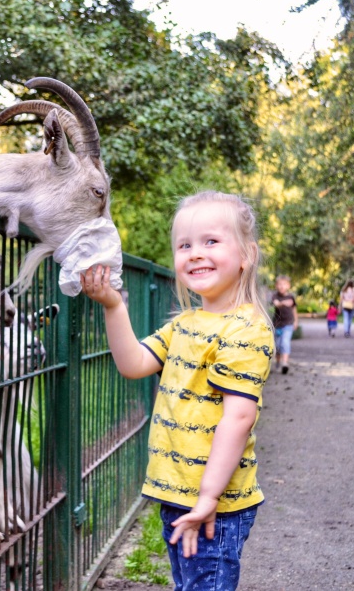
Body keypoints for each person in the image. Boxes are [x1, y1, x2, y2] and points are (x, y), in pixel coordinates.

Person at [80, 191, 273, 591]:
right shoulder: (184, 324)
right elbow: (133, 364)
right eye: (184, 245)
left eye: (211, 241)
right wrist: (114, 306)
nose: (195, 253)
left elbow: (238, 419)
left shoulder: (245, 329)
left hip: (214, 504)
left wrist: (207, 498)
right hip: (177, 494)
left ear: (247, 255)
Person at [271, 275, 297, 374]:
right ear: (276, 286)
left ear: (288, 286)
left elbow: (294, 309)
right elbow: (276, 304)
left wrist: (296, 321)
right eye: (280, 284)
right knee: (277, 345)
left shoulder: (291, 297)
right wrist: (284, 303)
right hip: (277, 324)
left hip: (288, 323)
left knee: (285, 342)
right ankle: (278, 362)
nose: (282, 286)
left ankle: (285, 363)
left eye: (284, 284)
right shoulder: (275, 296)